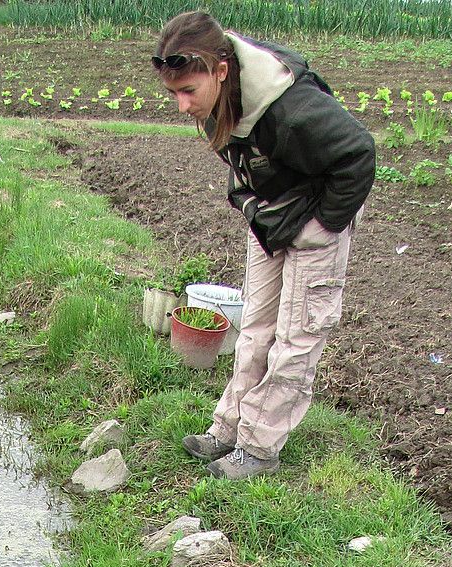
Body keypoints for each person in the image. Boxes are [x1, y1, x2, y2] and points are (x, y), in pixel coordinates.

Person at [153, 11, 375, 480]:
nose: (181, 105)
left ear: (221, 70)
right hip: (272, 216)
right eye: (173, 93)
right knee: (255, 326)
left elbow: (359, 155)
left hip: (314, 219)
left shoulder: (292, 110)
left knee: (296, 335)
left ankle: (259, 447)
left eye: (188, 91)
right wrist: (255, 207)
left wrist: (322, 226)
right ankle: (230, 429)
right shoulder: (219, 98)